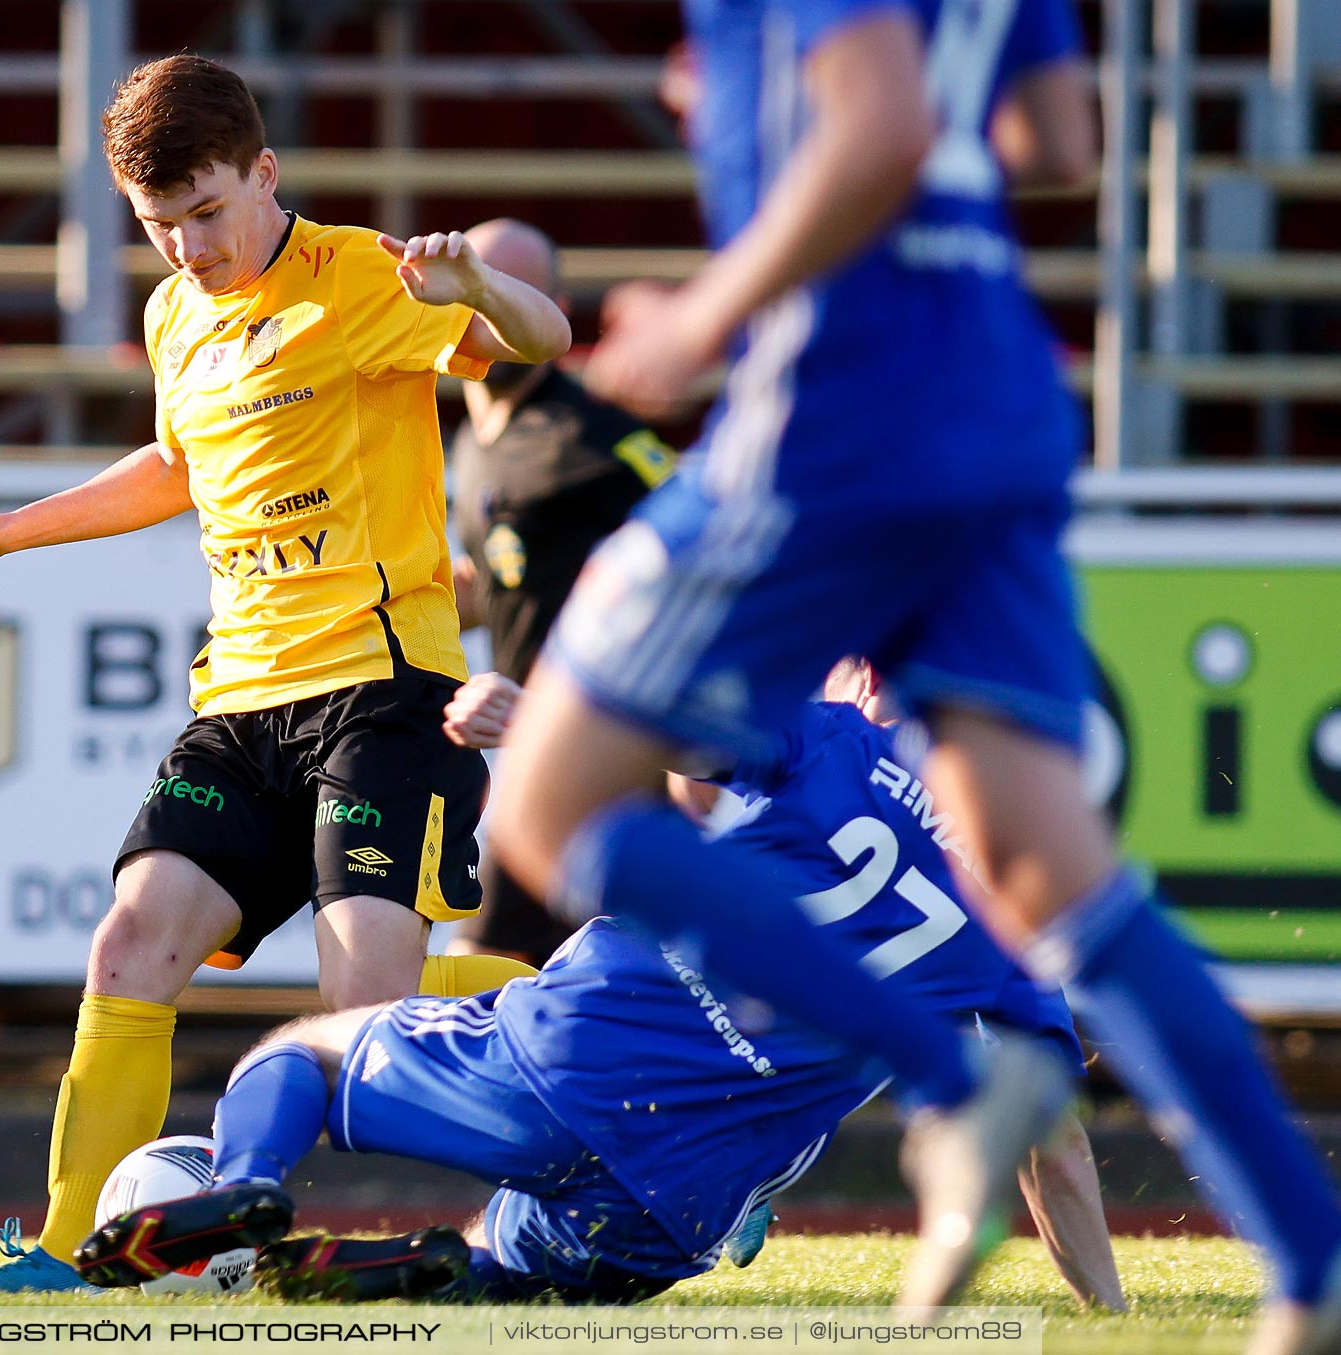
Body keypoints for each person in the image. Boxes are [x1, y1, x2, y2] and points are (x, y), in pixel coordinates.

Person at [481, 0, 1341, 1345]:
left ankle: (948, 1079)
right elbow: (1055, 138)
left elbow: (876, 126)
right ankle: (1308, 1258)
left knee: (548, 803)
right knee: (1053, 876)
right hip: (998, 394)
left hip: (840, 396)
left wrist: (694, 320)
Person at [0, 53, 569, 1293]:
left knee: (368, 1012)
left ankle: (644, 1049)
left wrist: (479, 279)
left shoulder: (364, 274)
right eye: (160, 228)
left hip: (383, 686)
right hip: (240, 699)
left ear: (264, 174)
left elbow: (544, 338)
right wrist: (7, 527)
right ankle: (61, 1256)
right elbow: (172, 467)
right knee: (129, 942)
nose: (189, 248)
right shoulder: (172, 316)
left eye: (207, 213)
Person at [73, 662, 1126, 1310]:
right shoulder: (1021, 922)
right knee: (512, 1276)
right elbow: (1058, 1149)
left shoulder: (839, 738)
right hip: (688, 1199)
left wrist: (536, 718)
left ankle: (240, 1185)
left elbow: (683, 736)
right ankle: (420, 1270)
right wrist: (1108, 1315)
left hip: (576, 1053)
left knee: (295, 1054)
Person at [444, 217, 677, 967]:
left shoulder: (594, 446)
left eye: (512, 294)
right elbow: (509, 576)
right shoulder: (470, 438)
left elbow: (697, 588)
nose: (490, 314)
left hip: (616, 779)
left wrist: (553, 711)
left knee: (480, 979)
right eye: (476, 291)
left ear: (554, 311)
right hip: (539, 767)